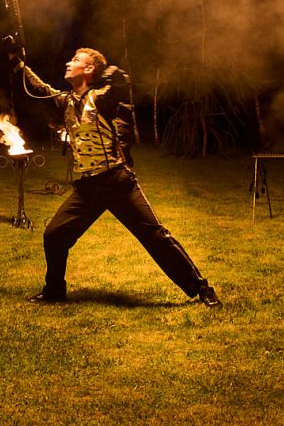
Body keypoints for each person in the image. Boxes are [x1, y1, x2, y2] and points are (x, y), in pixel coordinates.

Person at [13, 46, 220, 307]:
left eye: (75, 60)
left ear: (88, 69)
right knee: (55, 235)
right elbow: (41, 89)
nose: (68, 63)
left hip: (116, 182)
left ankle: (202, 288)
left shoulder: (102, 98)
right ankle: (54, 291)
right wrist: (18, 63)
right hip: (87, 188)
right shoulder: (66, 101)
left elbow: (120, 84)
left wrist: (113, 73)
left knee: (155, 237)